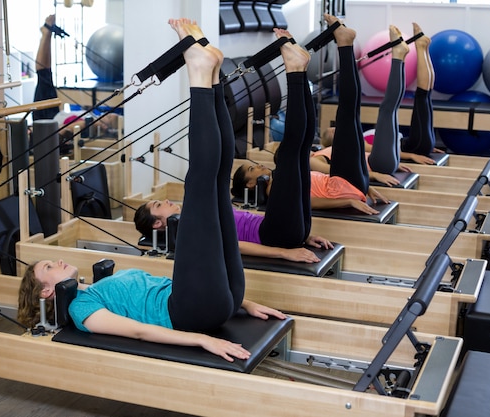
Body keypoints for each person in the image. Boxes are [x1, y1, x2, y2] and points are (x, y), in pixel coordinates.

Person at [18, 18, 286, 362]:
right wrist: (200, 341)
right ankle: (200, 77)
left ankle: (213, 76)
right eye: (48, 268)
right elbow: (141, 332)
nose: (56, 261)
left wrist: (243, 304)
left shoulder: (95, 287)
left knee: (217, 182)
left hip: (219, 298)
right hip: (192, 311)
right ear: (46, 291)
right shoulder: (81, 310)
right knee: (201, 183)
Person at [134, 28, 333, 264]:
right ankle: (295, 71)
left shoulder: (192, 211)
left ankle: (294, 69)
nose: (166, 201)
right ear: (158, 224)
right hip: (276, 235)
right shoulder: (186, 227)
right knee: (290, 152)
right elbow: (233, 245)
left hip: (288, 228)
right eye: (159, 205)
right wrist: (284, 252)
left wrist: (304, 235)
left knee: (299, 150)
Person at [232, 17, 395, 215]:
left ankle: (320, 57)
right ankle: (343, 45)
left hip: (345, 181)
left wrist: (366, 186)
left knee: (349, 112)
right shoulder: (273, 189)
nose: (258, 165)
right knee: (347, 113)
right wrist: (347, 202)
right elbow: (307, 202)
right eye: (252, 169)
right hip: (341, 187)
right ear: (250, 184)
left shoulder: (280, 178)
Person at [310, 22, 437, 187]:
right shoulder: (319, 156)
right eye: (332, 130)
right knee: (387, 110)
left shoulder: (354, 145)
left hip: (384, 161)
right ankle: (398, 57)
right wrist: (375, 175)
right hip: (379, 165)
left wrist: (403, 158)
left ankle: (398, 55)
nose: (335, 128)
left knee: (384, 109)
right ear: (331, 140)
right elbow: (338, 174)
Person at [32, 15, 118, 147]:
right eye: (109, 117)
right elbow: (115, 118)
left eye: (109, 119)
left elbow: (62, 133)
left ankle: (46, 34)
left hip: (47, 122)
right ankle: (46, 33)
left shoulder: (87, 126)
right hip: (56, 115)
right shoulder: (94, 118)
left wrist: (94, 123)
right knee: (45, 74)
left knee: (43, 75)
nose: (109, 117)